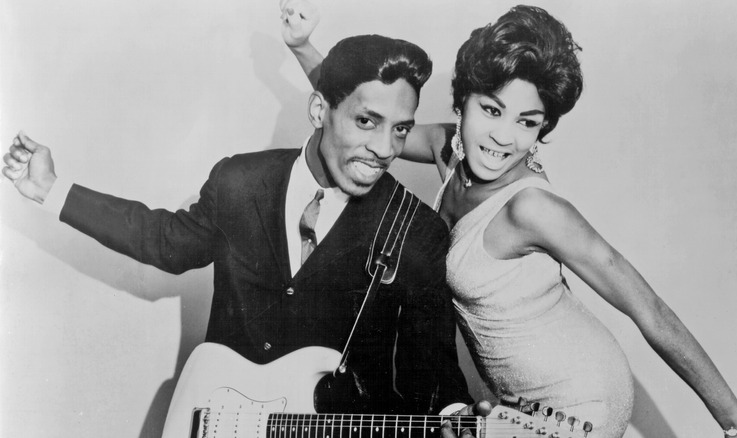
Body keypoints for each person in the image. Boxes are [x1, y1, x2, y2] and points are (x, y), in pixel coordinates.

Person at [282, 3, 737, 437]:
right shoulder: (448, 150)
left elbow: (649, 309)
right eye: (491, 110)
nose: (504, 138)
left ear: (542, 128)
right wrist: (302, 46)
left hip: (578, 401)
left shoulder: (531, 208)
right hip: (509, 407)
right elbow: (358, 113)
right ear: (463, 101)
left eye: (527, 122)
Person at [2, 34, 476, 419]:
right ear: (318, 111)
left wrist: (462, 419)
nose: (385, 147)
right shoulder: (239, 182)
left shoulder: (416, 231)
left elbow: (431, 361)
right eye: (367, 121)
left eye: (399, 128)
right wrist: (52, 190)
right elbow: (164, 241)